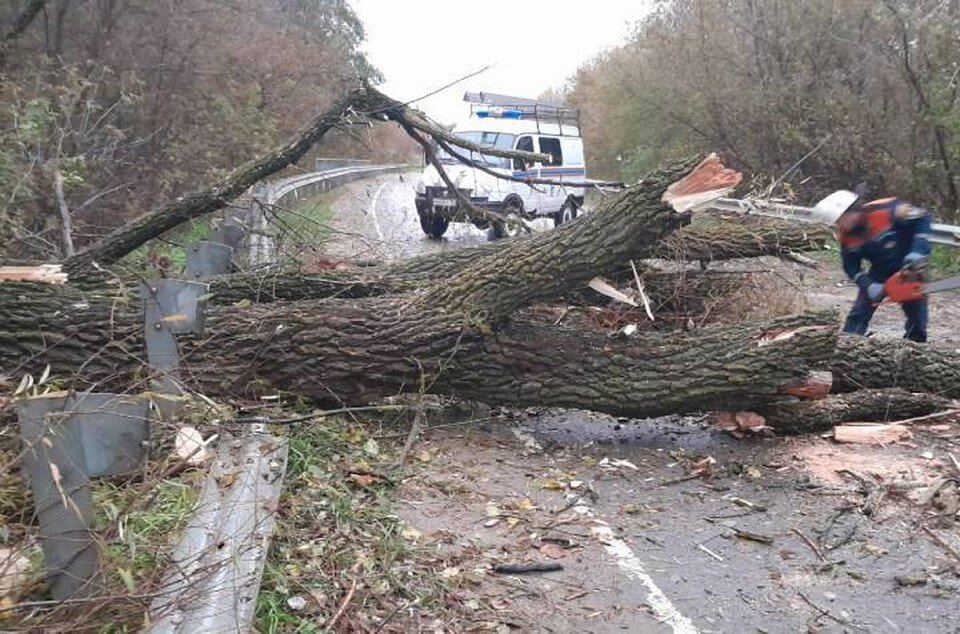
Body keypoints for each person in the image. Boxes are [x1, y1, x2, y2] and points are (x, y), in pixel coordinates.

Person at [832, 188, 931, 342]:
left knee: (916, 314)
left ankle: (915, 349)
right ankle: (848, 343)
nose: (839, 224)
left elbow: (923, 218)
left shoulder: (889, 210)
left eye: (841, 219)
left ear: (851, 212)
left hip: (909, 266)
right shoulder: (846, 238)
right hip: (879, 270)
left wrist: (918, 251)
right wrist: (868, 284)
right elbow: (851, 267)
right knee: (859, 312)